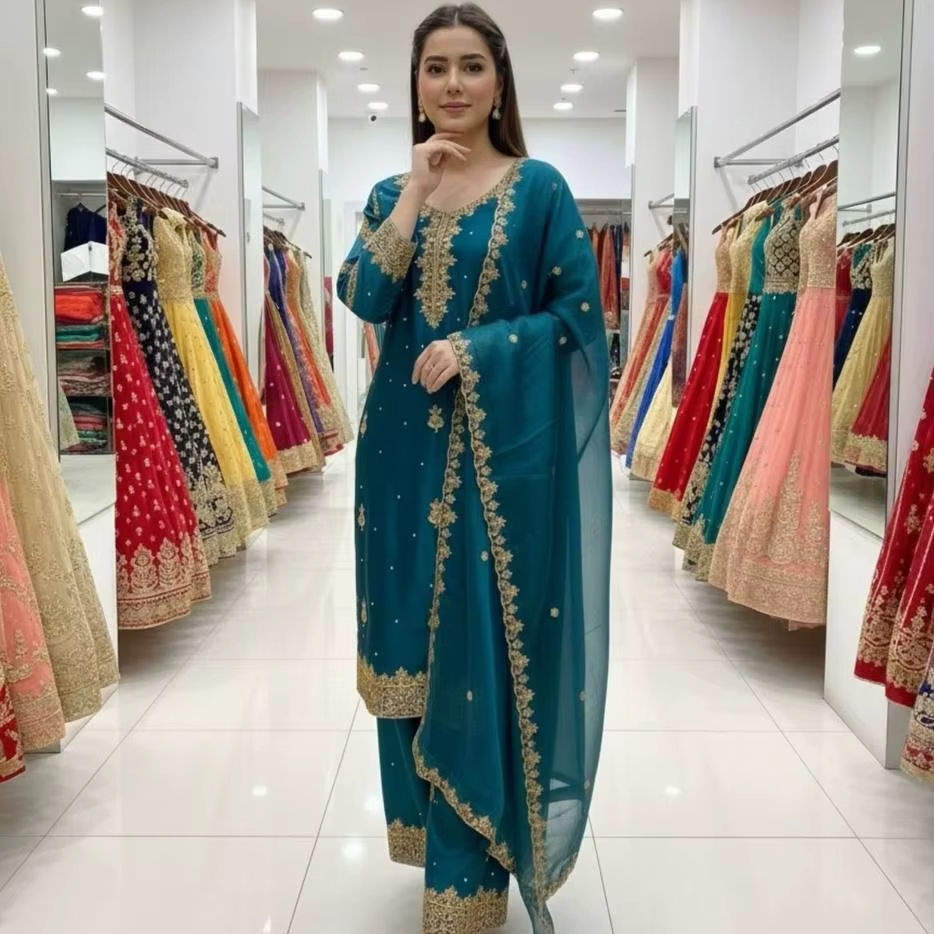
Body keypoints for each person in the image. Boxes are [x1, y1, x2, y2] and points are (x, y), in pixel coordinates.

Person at [337, 5, 611, 932]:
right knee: (409, 659)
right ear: (415, 84)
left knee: (480, 651)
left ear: (500, 82)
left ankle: (470, 880)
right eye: (434, 68)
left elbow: (578, 326)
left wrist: (481, 349)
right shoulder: (390, 192)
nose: (451, 85)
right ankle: (432, 849)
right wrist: (414, 194)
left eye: (470, 67)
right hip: (397, 464)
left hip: (498, 472)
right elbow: (363, 295)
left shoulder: (541, 191)